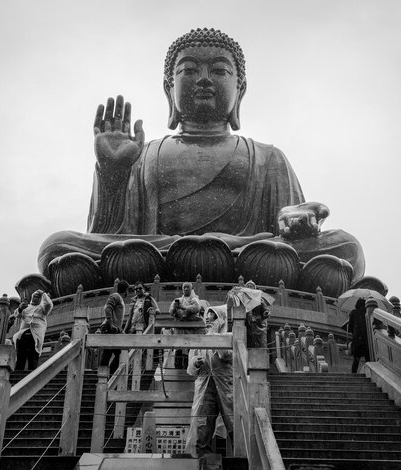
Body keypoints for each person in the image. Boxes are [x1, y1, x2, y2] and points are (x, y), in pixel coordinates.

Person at [37, 28, 366, 296]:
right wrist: (112, 173)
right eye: (190, 70)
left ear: (241, 89)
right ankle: (216, 252)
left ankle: (218, 251)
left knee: (346, 247)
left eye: (220, 70)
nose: (204, 79)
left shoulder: (267, 157)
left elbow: (291, 239)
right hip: (166, 256)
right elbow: (109, 235)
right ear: (170, 89)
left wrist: (297, 222)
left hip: (248, 257)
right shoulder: (144, 155)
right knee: (57, 247)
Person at [185, 321, 234, 457]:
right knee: (204, 422)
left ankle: (240, 454)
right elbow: (191, 369)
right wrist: (196, 362)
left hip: (226, 385)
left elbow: (226, 355)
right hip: (206, 386)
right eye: (207, 317)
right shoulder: (200, 341)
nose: (209, 322)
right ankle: (202, 456)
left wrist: (214, 337)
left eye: (213, 318)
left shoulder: (228, 336)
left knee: (233, 421)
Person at [11, 289, 53, 370]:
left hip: (35, 335)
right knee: (20, 358)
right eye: (34, 297)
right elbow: (17, 315)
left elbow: (49, 304)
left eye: (37, 297)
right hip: (23, 335)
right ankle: (18, 374)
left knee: (33, 358)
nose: (35, 298)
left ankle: (31, 377)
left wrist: (43, 294)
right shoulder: (26, 308)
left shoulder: (43, 309)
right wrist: (20, 308)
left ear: (40, 299)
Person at [170, 281, 206, 368]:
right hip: (180, 329)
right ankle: (177, 369)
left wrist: (184, 307)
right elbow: (171, 312)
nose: (186, 289)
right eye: (184, 287)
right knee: (178, 348)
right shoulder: (178, 300)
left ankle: (189, 368)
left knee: (190, 349)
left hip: (192, 329)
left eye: (188, 287)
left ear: (191, 289)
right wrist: (174, 307)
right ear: (182, 289)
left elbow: (197, 308)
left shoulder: (194, 299)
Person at [99, 279, 129, 374]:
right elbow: (108, 308)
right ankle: (103, 376)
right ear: (126, 290)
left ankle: (109, 375)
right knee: (108, 353)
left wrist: (121, 331)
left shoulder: (119, 298)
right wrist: (111, 323)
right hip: (109, 327)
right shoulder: (115, 296)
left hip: (114, 329)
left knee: (118, 354)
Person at [244, 280, 270, 349]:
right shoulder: (243, 299)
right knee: (249, 340)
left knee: (260, 341)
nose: (249, 288)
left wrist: (265, 313)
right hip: (248, 322)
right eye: (248, 286)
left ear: (254, 288)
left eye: (251, 286)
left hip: (258, 322)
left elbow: (265, 309)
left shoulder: (259, 299)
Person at [348, 298, 369, 373]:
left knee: (356, 358)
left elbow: (350, 327)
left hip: (357, 339)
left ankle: (353, 373)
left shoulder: (353, 313)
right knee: (368, 358)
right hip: (367, 339)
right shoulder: (367, 312)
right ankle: (369, 373)